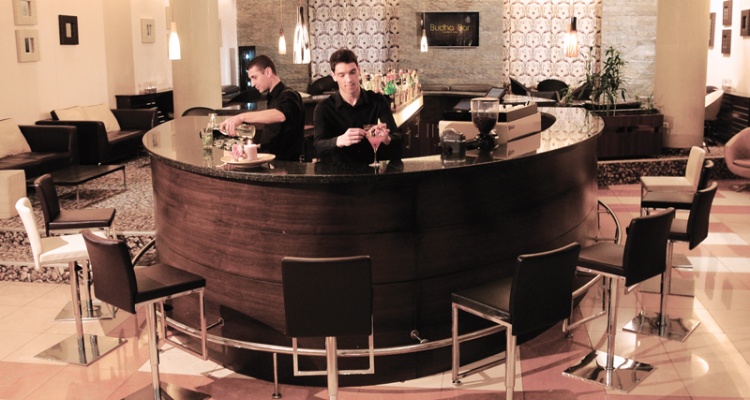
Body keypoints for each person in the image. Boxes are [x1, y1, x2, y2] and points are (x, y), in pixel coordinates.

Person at [313, 49, 402, 163]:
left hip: (371, 169)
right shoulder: (323, 108)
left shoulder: (377, 100)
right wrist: (340, 140)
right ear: (334, 76)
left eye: (352, 72)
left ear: (359, 70)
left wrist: (387, 139)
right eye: (342, 75)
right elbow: (317, 148)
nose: (349, 80)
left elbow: (398, 140)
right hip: (337, 170)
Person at [220, 55, 304, 161]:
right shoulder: (272, 97)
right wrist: (250, 149)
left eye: (254, 77)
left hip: (288, 165)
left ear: (268, 72)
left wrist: (241, 117)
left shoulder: (289, 95)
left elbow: (281, 115)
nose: (252, 84)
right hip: (273, 162)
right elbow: (277, 137)